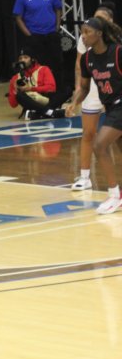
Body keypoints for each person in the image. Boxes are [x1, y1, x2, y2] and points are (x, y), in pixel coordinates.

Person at [67, 17, 122, 214]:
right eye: (82, 32)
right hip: (111, 107)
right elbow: (84, 87)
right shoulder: (87, 58)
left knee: (99, 145)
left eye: (87, 32)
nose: (83, 36)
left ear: (99, 34)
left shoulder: (117, 52)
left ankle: (115, 195)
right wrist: (74, 102)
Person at [13, 0, 65, 89]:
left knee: (56, 62)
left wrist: (57, 27)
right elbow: (18, 17)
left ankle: (59, 88)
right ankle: (40, 87)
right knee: (39, 65)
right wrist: (29, 35)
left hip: (51, 34)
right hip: (35, 36)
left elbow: (58, 9)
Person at [7, 51, 67, 119]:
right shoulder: (15, 78)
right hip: (30, 103)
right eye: (20, 58)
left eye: (25, 57)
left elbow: (51, 88)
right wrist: (15, 91)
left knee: (67, 90)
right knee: (19, 96)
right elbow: (13, 105)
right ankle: (52, 113)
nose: (22, 60)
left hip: (46, 99)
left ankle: (38, 114)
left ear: (32, 59)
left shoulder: (43, 69)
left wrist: (30, 88)